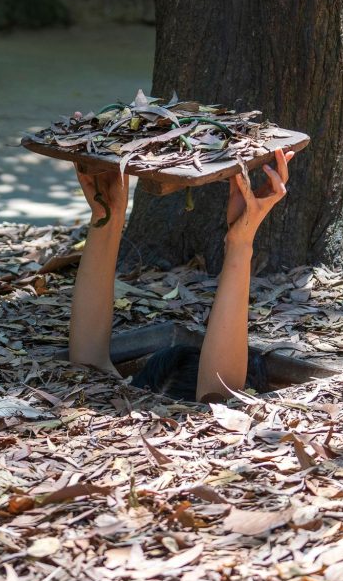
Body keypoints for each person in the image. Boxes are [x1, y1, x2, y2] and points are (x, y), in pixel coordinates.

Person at [68, 148, 294, 403]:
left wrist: (107, 216)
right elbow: (219, 397)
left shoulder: (106, 402)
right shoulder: (219, 416)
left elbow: (88, 362)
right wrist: (239, 242)